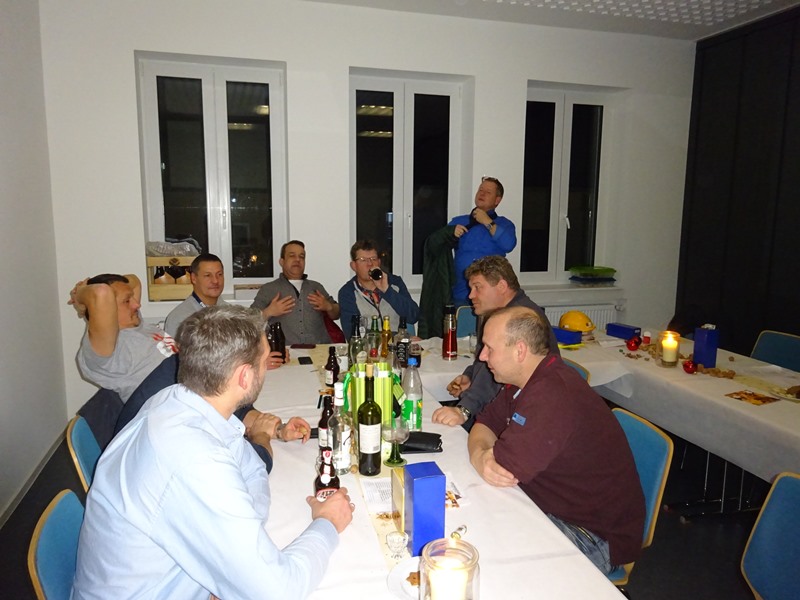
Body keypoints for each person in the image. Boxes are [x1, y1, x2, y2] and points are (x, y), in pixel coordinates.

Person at [72, 305, 355, 599]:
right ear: (244, 377)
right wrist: (327, 523)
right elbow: (279, 591)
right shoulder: (193, 457)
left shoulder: (177, 399)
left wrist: (235, 546)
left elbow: (251, 468)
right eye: (263, 361)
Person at [467, 306, 645, 574]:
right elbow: (484, 424)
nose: (482, 356)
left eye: (489, 348)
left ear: (520, 351)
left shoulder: (552, 394)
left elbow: (502, 468)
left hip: (592, 535)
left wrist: (482, 456)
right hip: (548, 507)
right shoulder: (526, 381)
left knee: (487, 559)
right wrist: (480, 456)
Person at [432, 256, 558, 429]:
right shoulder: (494, 313)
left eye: (478, 287)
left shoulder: (519, 319)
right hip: (499, 405)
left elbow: (498, 371)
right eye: (471, 288)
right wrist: (471, 376)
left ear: (501, 286)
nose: (471, 295)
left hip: (523, 414)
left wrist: (464, 409)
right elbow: (484, 359)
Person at [69, 273, 177, 403]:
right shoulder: (110, 347)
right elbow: (101, 292)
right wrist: (79, 295)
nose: (137, 305)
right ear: (108, 306)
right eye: (127, 301)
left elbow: (134, 280)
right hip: (172, 408)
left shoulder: (135, 323)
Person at [251, 240, 341, 345]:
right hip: (284, 350)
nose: (297, 260)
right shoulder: (269, 289)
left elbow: (337, 314)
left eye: (301, 257)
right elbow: (249, 321)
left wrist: (329, 307)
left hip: (318, 348)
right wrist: (268, 312)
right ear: (282, 262)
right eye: (292, 256)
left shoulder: (316, 287)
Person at [449, 176, 516, 305]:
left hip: (491, 296)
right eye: (480, 190)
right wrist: (449, 233)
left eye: (488, 192)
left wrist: (487, 221)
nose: (482, 194)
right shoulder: (459, 221)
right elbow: (435, 244)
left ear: (497, 200)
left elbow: (509, 245)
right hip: (461, 294)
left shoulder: (504, 224)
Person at [338, 239, 419, 333]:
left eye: (373, 259)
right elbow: (352, 332)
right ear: (354, 266)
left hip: (400, 341)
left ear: (379, 262)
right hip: (371, 342)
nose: (370, 264)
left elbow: (413, 316)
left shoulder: (395, 282)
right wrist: (392, 337)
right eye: (363, 260)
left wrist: (387, 291)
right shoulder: (347, 292)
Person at [163, 253, 226, 336]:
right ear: (193, 278)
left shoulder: (231, 314)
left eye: (219, 274)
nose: (215, 281)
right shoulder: (179, 319)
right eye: (207, 275)